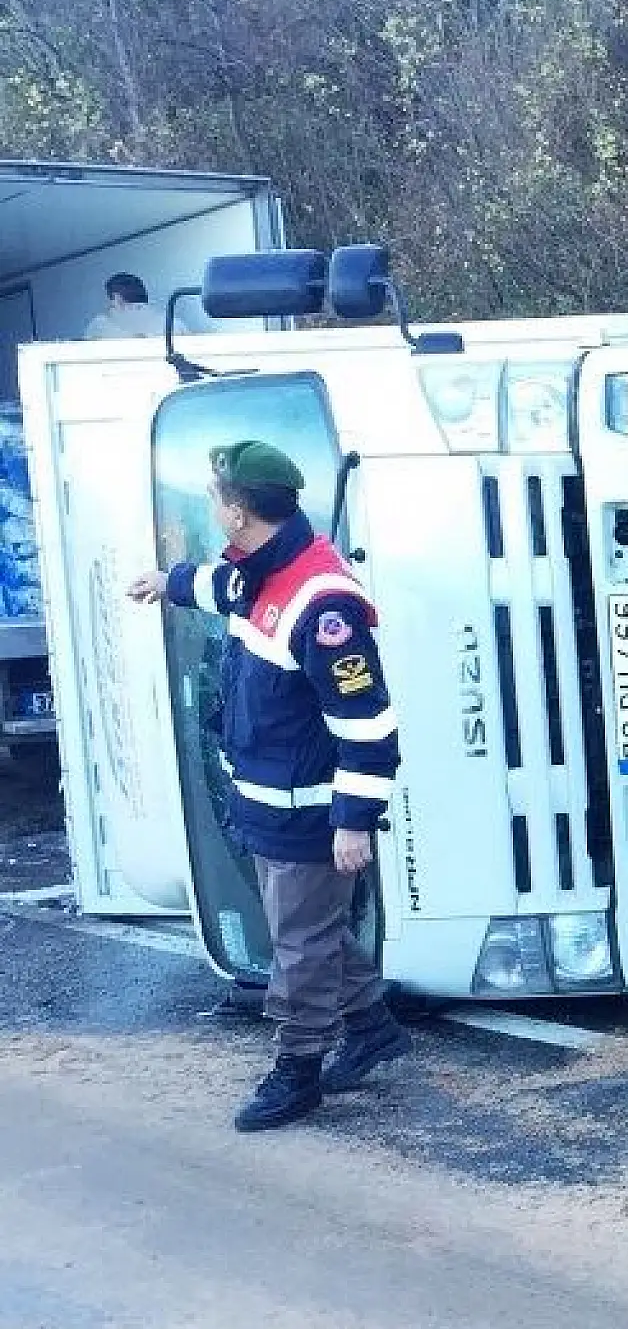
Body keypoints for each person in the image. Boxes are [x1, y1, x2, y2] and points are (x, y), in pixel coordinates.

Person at [127, 439, 409, 1131]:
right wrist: (167, 581)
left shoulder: (323, 603)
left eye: (215, 495)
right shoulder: (260, 569)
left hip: (307, 817)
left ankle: (298, 1070)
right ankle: (372, 1026)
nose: (212, 504)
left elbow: (368, 722)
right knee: (308, 930)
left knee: (301, 945)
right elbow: (222, 590)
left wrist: (352, 820)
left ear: (235, 512)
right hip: (266, 803)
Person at [84, 272, 168, 339]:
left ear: (117, 299)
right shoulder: (170, 324)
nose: (108, 306)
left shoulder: (100, 326)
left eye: (109, 299)